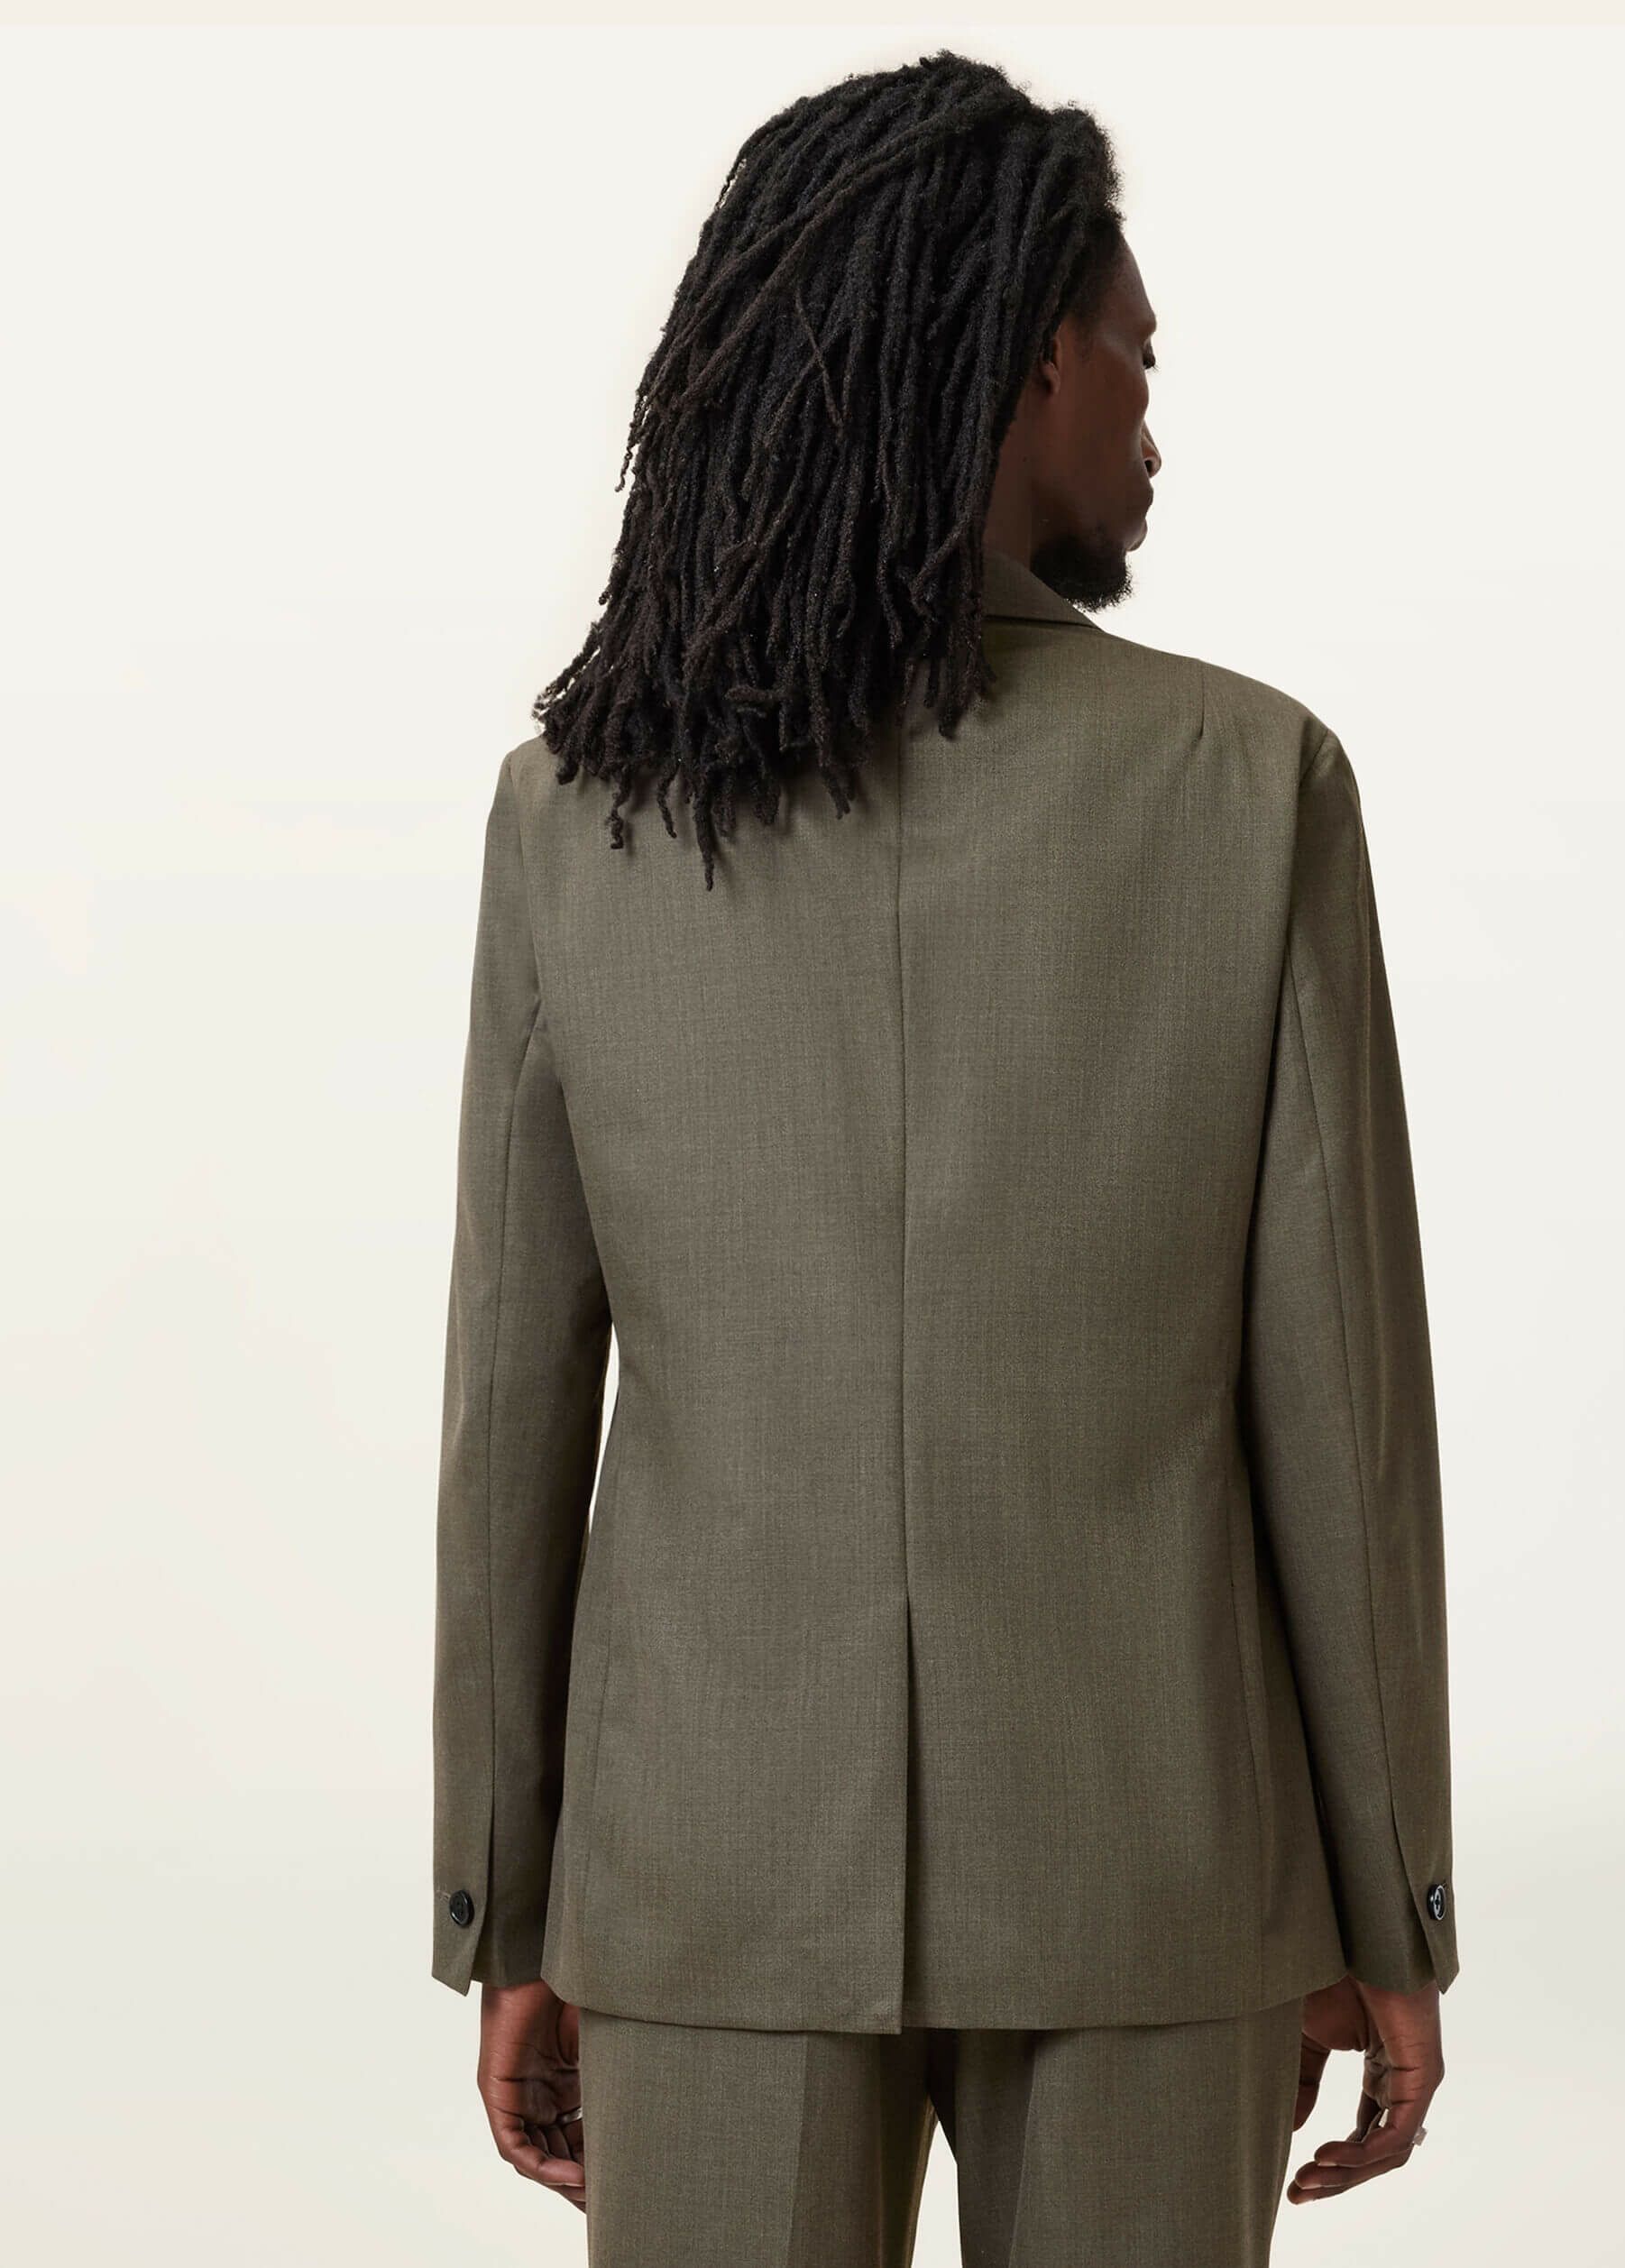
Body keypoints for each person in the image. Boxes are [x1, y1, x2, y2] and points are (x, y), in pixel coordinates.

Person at [431, 48, 1457, 2267]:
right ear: (1030, 363)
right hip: (1159, 1866)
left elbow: (514, 1400)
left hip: (701, 1869)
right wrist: (1391, 1904)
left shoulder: (580, 814)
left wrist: (508, 1898)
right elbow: (1341, 1407)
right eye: (1137, 360)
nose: (1153, 427)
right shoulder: (1253, 784)